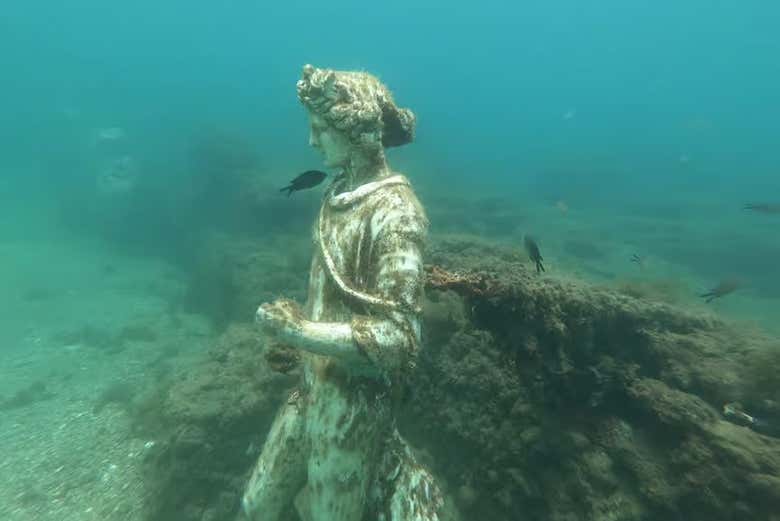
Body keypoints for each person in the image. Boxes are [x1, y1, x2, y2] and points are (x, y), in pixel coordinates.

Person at [240, 64, 444, 521]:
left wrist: (299, 330)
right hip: (310, 390)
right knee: (256, 505)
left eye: (320, 129)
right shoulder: (335, 194)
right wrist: (298, 345)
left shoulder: (396, 213)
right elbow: (332, 299)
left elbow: (399, 340)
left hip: (352, 409)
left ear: (354, 132)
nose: (312, 142)